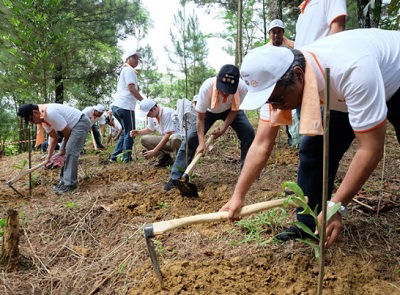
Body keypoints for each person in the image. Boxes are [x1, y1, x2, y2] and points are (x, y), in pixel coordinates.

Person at [220, 29, 400, 249]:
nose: (274, 107)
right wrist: (238, 195)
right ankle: (308, 226)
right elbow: (261, 144)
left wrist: (337, 205)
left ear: (298, 75)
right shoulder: (276, 85)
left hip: (394, 77)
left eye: (276, 99)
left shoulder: (352, 69)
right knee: (313, 152)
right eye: (268, 102)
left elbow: (371, 148)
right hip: (339, 93)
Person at [164, 64, 255, 191]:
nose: (224, 92)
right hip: (208, 112)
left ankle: (246, 174)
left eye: (229, 90)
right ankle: (176, 178)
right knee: (191, 138)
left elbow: (235, 110)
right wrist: (202, 143)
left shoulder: (242, 88)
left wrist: (223, 128)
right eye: (222, 89)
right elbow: (200, 118)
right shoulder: (207, 87)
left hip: (230, 110)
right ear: (217, 79)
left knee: (249, 133)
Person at [18, 103, 91, 194]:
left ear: (35, 112)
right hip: (72, 127)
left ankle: (70, 184)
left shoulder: (50, 113)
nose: (33, 122)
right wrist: (49, 155)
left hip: (80, 122)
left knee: (70, 150)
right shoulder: (43, 119)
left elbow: (66, 130)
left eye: (31, 119)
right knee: (65, 152)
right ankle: (64, 181)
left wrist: (64, 147)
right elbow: (53, 137)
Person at [110, 50, 144, 163]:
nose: (136, 60)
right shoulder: (129, 70)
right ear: (128, 59)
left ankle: (114, 157)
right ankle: (127, 159)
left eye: (137, 58)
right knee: (131, 132)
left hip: (117, 106)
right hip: (125, 107)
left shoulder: (126, 70)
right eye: (134, 57)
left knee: (126, 131)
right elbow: (131, 88)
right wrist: (143, 101)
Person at [130, 98, 181, 167]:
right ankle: (164, 159)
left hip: (178, 141)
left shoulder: (167, 113)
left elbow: (168, 135)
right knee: (144, 139)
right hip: (168, 141)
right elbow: (150, 129)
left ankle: (180, 160)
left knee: (174, 138)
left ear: (154, 109)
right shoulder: (152, 116)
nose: (147, 116)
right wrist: (138, 132)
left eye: (148, 114)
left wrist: (155, 150)